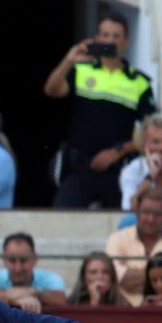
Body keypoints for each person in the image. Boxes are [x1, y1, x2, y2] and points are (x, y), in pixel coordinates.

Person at [44, 11, 154, 208]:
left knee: (123, 225)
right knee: (60, 216)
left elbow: (151, 133)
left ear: (126, 42)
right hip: (80, 169)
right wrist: (69, 60)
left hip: (118, 170)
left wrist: (117, 152)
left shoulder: (139, 82)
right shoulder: (81, 70)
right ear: (97, 39)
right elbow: (51, 90)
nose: (110, 41)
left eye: (116, 36)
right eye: (105, 35)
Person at [105, 186, 162, 305]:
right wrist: (161, 276)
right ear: (137, 212)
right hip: (124, 311)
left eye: (157, 214)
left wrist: (131, 277)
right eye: (146, 212)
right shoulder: (117, 238)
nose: (150, 219)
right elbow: (114, 277)